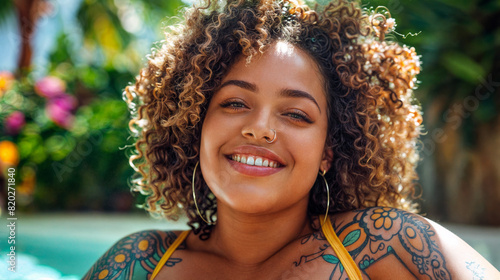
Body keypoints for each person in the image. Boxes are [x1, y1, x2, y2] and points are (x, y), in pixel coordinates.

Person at [83, 0, 500, 279]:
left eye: (296, 114)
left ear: (328, 151)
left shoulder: (387, 242)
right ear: (195, 127)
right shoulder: (136, 263)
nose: (260, 128)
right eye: (233, 104)